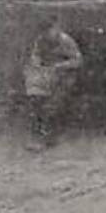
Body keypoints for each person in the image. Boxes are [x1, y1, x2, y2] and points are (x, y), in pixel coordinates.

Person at [23, 18, 82, 150]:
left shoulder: (66, 41)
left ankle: (50, 137)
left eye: (50, 31)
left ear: (55, 28)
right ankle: (38, 137)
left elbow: (78, 61)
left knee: (54, 104)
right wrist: (37, 63)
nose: (47, 34)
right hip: (48, 76)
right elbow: (35, 56)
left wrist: (60, 66)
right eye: (45, 32)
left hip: (66, 75)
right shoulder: (40, 41)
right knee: (36, 101)